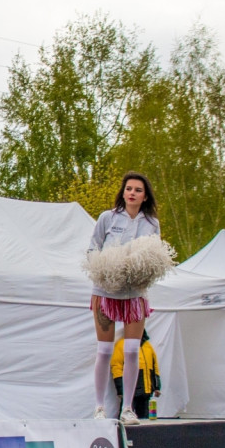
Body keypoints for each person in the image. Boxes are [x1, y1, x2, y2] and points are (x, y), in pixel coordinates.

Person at [89, 172, 161, 426]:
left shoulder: (151, 223)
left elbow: (155, 255)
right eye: (128, 188)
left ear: (145, 196)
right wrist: (104, 269)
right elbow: (92, 249)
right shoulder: (107, 218)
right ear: (123, 192)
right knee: (104, 350)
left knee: (132, 350)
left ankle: (128, 408)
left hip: (135, 294)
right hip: (105, 292)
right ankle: (99, 408)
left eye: (138, 190)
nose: (132, 193)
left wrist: (140, 269)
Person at [112, 330, 161, 419]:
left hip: (146, 390)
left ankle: (144, 432)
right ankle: (122, 431)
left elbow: (155, 366)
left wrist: (157, 387)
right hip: (129, 390)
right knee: (125, 413)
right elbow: (116, 367)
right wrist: (120, 389)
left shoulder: (148, 346)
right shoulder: (121, 344)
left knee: (144, 418)